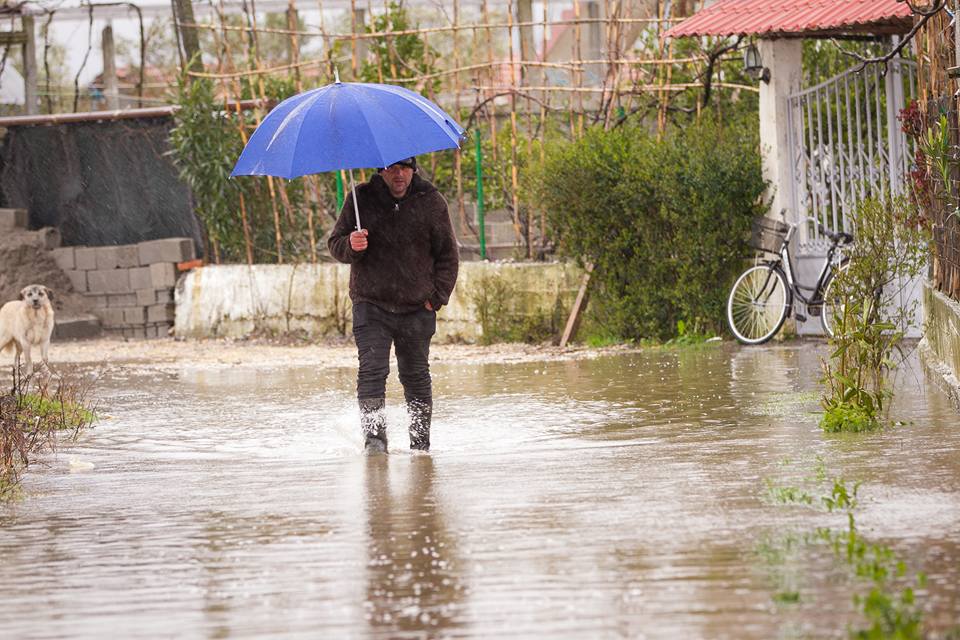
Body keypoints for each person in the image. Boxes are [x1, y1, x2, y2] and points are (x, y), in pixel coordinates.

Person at [328, 157, 459, 454]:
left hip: (418, 307)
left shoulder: (431, 201)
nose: (398, 174)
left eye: (404, 168)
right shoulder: (360, 199)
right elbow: (335, 243)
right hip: (370, 304)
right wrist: (351, 245)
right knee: (372, 372)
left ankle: (420, 444)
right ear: (381, 171)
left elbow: (448, 256)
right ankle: (375, 442)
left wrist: (436, 298)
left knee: (416, 376)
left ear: (413, 170)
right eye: (391, 168)